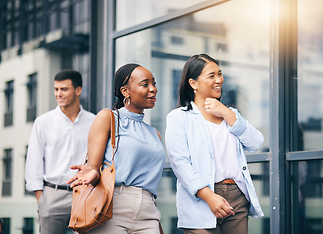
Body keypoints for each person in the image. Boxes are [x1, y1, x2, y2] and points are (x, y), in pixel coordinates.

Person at [165, 54, 264, 234]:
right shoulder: (179, 117)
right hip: (201, 197)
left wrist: (226, 113)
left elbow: (256, 142)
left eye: (220, 74)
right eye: (211, 76)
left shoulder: (230, 114)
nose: (219, 80)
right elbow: (180, 164)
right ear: (193, 83)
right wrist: (210, 197)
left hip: (236, 197)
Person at [67, 64, 165, 234]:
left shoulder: (154, 133)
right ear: (125, 91)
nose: (153, 89)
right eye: (145, 84)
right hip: (113, 208)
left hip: (148, 211)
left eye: (154, 84)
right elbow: (94, 166)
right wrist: (91, 172)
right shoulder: (108, 117)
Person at [25, 69, 95, 234]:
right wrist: (41, 199)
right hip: (52, 195)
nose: (58, 94)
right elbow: (34, 160)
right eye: (56, 89)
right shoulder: (43, 122)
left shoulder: (94, 121)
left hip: (84, 195)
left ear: (78, 90)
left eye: (64, 89)